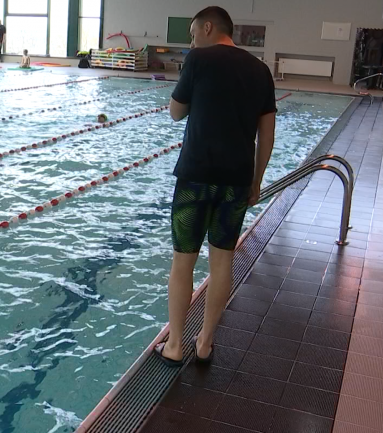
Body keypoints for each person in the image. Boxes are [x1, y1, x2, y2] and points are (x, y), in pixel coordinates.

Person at [155, 6, 276, 366]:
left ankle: (175, 346)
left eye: (193, 33)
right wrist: (256, 179)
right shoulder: (261, 70)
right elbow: (266, 135)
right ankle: (205, 343)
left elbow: (176, 112)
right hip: (236, 181)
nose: (192, 40)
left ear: (208, 28)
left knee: (183, 262)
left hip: (195, 175)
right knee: (221, 262)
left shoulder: (198, 59)